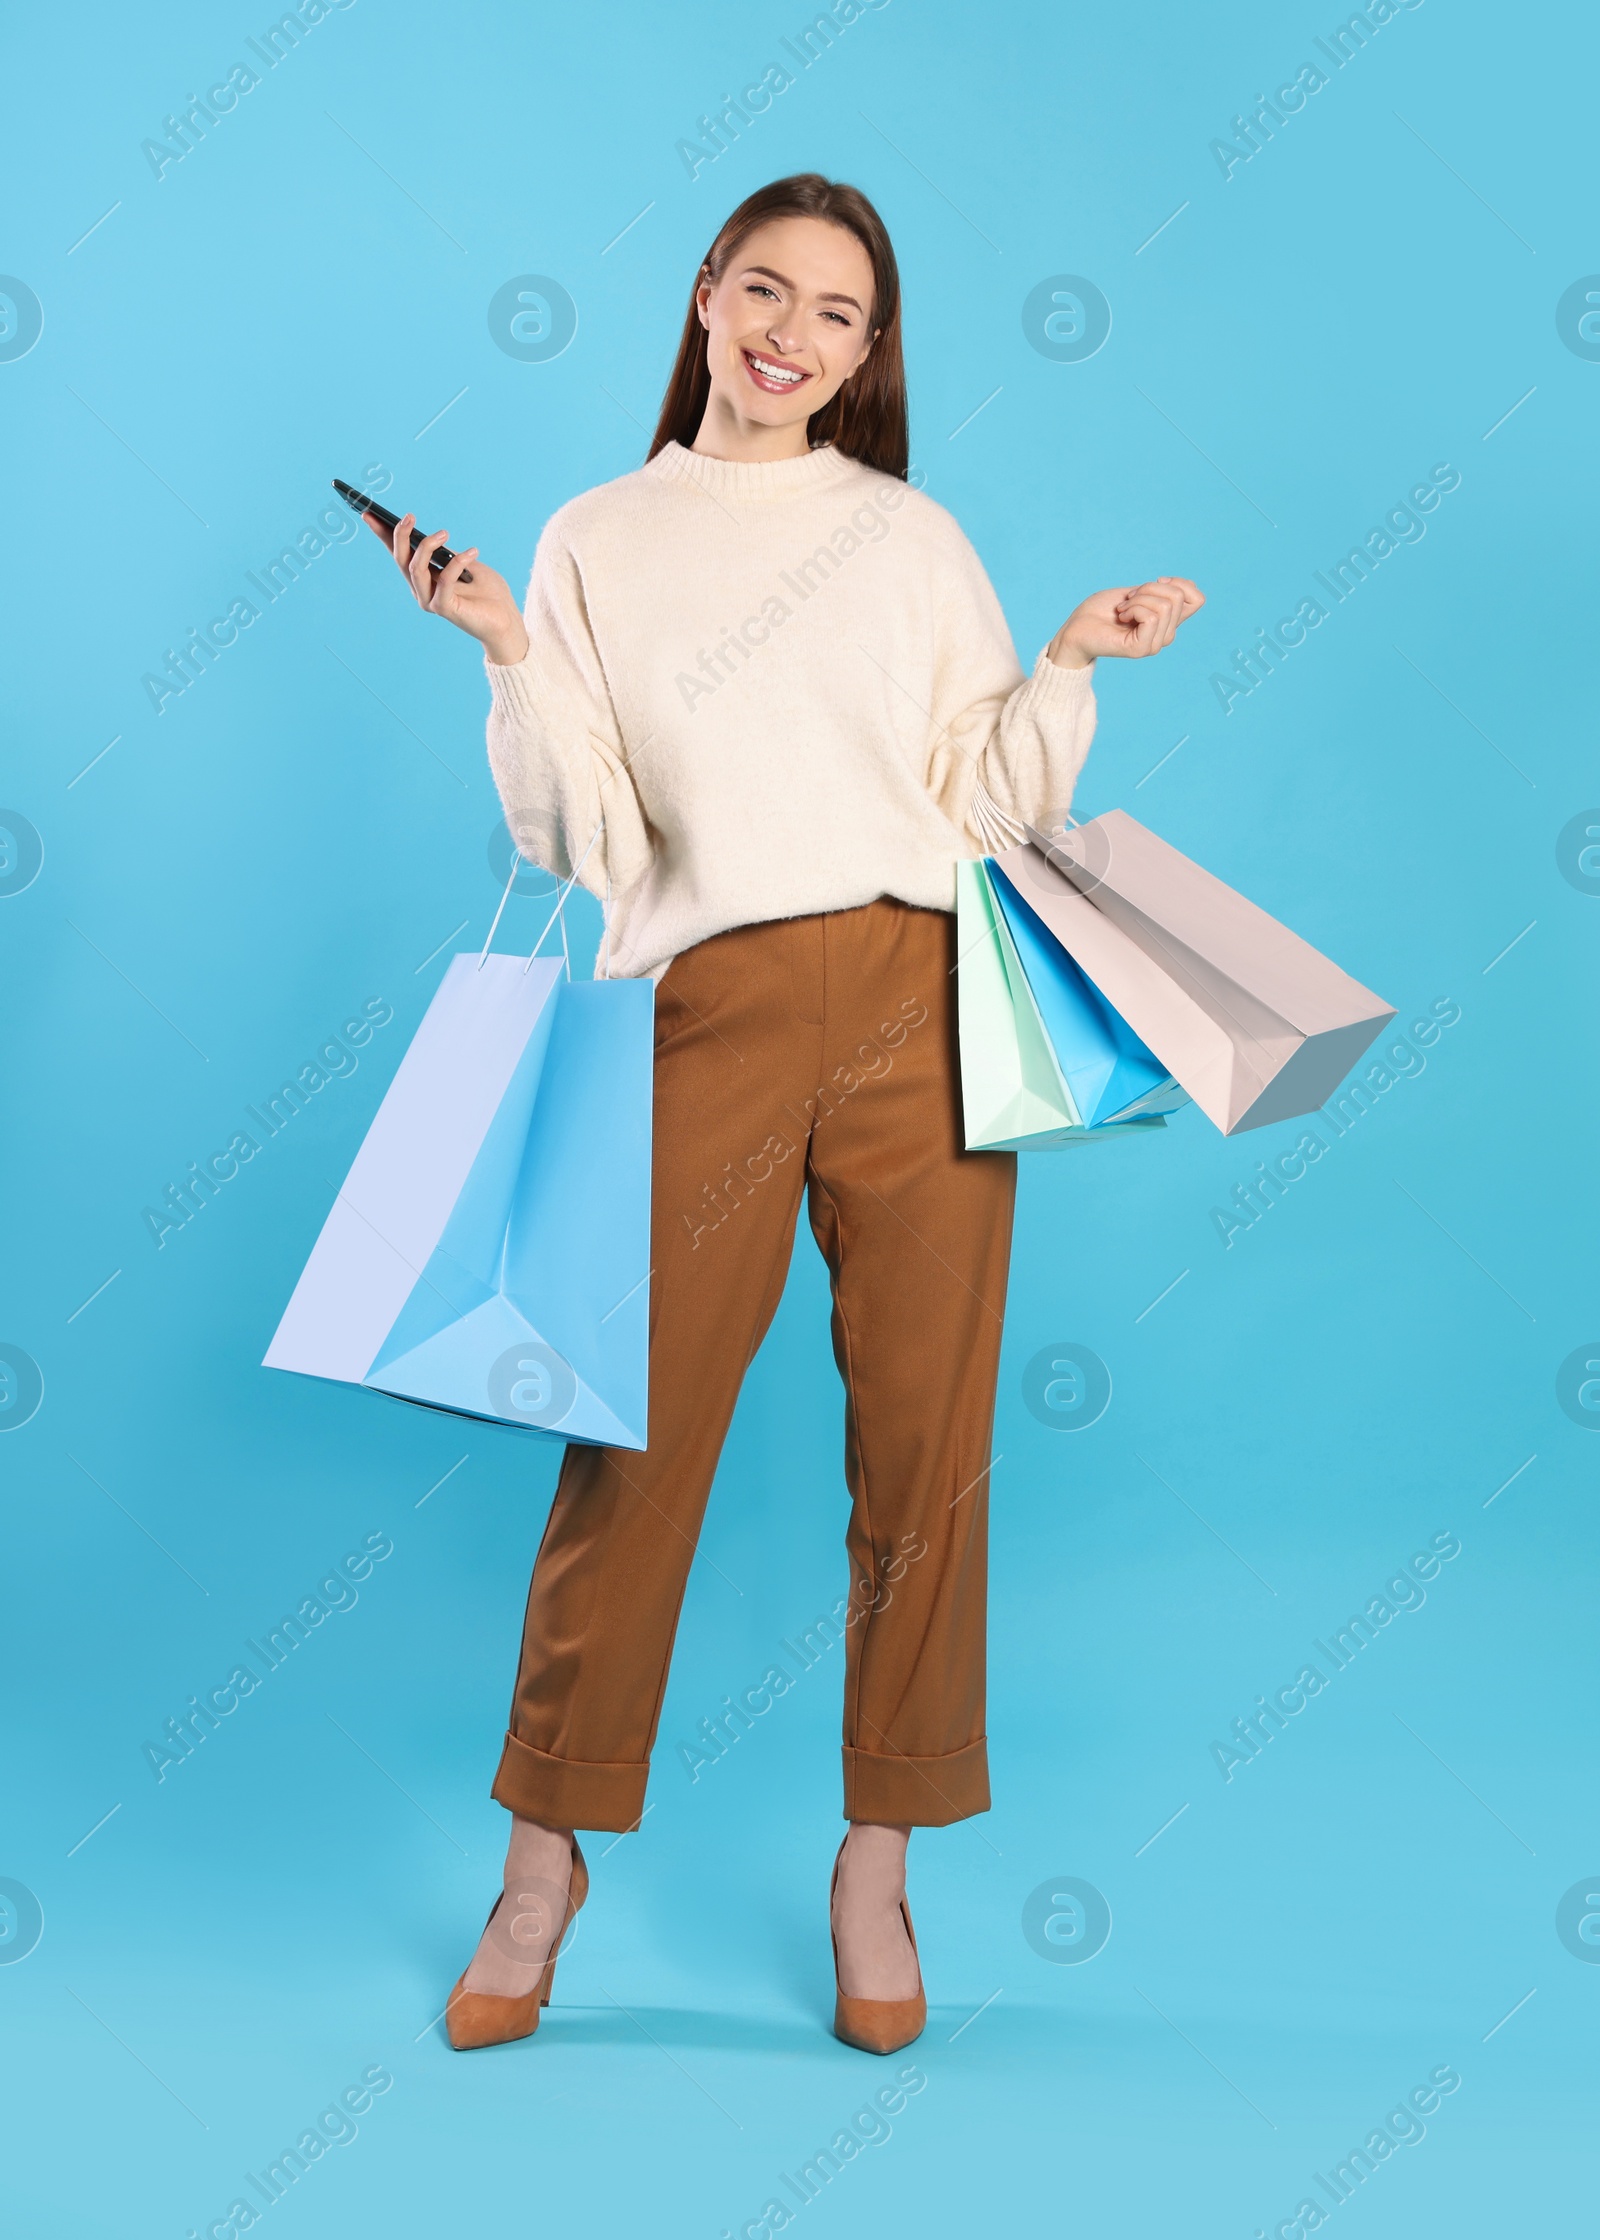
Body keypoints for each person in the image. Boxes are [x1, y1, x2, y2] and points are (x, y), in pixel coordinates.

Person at [371, 171, 1202, 2055]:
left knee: (929, 1452)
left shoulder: (910, 539)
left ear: (867, 352)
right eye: (766, 292)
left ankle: (880, 1861)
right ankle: (541, 1859)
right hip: (714, 1008)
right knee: (629, 1440)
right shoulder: (598, 536)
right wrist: (506, 645)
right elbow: (580, 831)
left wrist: (1068, 662)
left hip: (920, 1001)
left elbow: (980, 795)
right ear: (704, 296)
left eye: (837, 314)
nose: (793, 336)